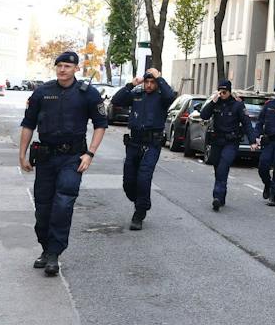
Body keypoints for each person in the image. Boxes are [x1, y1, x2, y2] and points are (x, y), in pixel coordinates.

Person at [18, 52, 107, 276]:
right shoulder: (42, 92)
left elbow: (100, 124)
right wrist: (22, 154)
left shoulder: (88, 94)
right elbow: (28, 124)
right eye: (59, 65)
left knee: (63, 204)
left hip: (73, 158)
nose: (62, 69)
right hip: (46, 157)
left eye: (67, 66)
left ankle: (54, 255)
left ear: (76, 68)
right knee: (43, 208)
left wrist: (90, 154)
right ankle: (46, 249)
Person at [112, 68, 175, 231]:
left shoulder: (162, 98)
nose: (148, 85)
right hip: (134, 142)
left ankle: (139, 213)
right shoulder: (137, 95)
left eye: (151, 82)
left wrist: (159, 77)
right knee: (128, 182)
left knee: (144, 178)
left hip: (152, 144)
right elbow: (117, 100)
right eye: (146, 82)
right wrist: (132, 84)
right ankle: (141, 201)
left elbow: (170, 95)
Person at [199, 80, 250, 211]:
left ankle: (217, 196)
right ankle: (221, 196)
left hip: (231, 142)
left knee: (223, 166)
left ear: (229, 91)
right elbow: (203, 115)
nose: (222, 94)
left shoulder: (237, 105)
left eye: (225, 91)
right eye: (220, 91)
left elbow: (246, 123)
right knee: (218, 169)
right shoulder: (216, 103)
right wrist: (212, 101)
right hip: (217, 141)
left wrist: (253, 140)